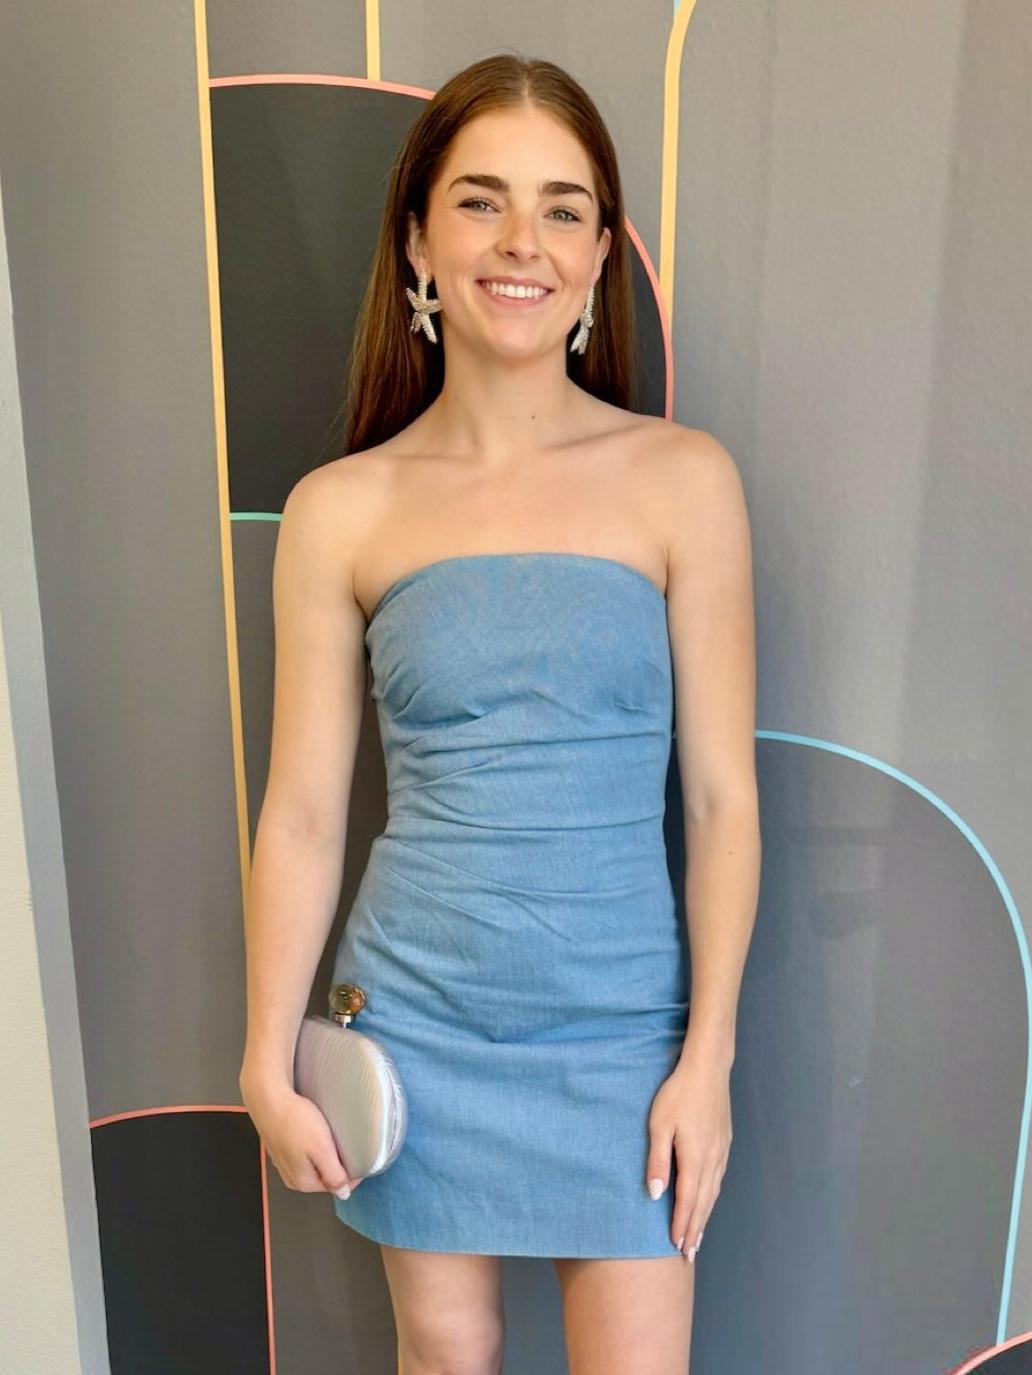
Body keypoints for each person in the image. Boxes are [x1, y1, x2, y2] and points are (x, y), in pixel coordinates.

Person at [239, 52, 760, 1375]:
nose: (523, 240)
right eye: (481, 201)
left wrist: (708, 1057)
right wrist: (262, 1058)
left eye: (562, 208)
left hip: (626, 1039)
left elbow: (721, 802)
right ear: (418, 242)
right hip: (416, 1025)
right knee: (446, 1355)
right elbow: (301, 815)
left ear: (598, 256)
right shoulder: (339, 509)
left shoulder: (685, 483)